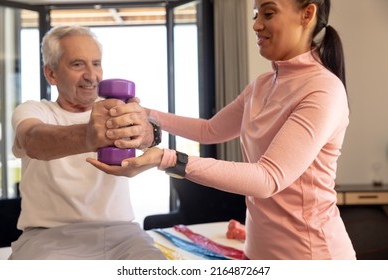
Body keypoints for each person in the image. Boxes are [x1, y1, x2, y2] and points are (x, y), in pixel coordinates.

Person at [87, 0, 356, 260]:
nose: (256, 25)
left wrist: (165, 158)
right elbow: (209, 130)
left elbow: (267, 179)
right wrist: (146, 114)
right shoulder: (261, 85)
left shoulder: (322, 90)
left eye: (268, 14)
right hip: (258, 252)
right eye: (255, 15)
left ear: (307, 14)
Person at [10, 25, 165, 260]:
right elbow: (33, 140)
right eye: (77, 64)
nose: (91, 76)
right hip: (48, 238)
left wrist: (149, 133)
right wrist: (90, 136)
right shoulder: (34, 110)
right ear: (51, 73)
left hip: (122, 236)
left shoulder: (115, 112)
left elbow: (151, 126)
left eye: (96, 63)